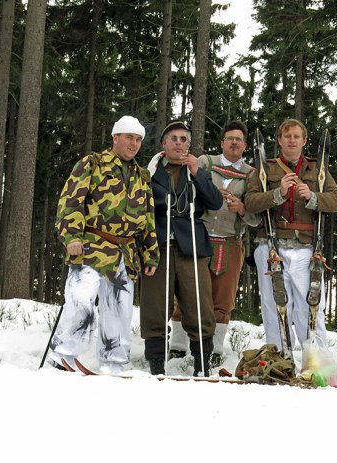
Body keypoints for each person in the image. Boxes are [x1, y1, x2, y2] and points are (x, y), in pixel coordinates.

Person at [48, 115, 158, 374]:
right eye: (129, 137)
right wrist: (72, 237)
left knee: (120, 311)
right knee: (81, 300)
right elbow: (71, 200)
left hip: (126, 253)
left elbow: (148, 218)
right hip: (91, 247)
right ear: (115, 138)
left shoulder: (142, 176)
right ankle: (64, 353)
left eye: (138, 139)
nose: (134, 144)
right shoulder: (93, 163)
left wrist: (150, 254)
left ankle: (115, 363)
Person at [244, 118, 337, 353]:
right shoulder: (265, 169)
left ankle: (316, 366)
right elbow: (250, 202)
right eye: (287, 136)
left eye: (296, 136)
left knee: (310, 307)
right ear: (279, 140)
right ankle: (279, 361)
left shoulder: (316, 169)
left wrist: (312, 197)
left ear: (304, 141)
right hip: (271, 246)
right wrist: (277, 193)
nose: (291, 140)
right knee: (273, 306)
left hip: (306, 248)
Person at [167, 121, 261, 367]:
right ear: (222, 143)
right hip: (199, 238)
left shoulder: (252, 174)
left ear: (245, 145)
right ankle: (177, 345)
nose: (233, 142)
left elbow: (256, 218)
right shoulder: (206, 162)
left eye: (238, 139)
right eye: (229, 138)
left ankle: (216, 348)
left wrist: (241, 208)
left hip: (231, 242)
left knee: (223, 299)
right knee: (187, 293)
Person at [140, 120, 223, 376]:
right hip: (158, 244)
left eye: (183, 139)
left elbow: (215, 202)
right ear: (163, 144)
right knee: (154, 305)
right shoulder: (150, 172)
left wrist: (198, 173)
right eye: (173, 138)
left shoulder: (197, 170)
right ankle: (156, 365)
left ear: (188, 145)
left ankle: (202, 365)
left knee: (199, 306)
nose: (178, 143)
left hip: (192, 246)